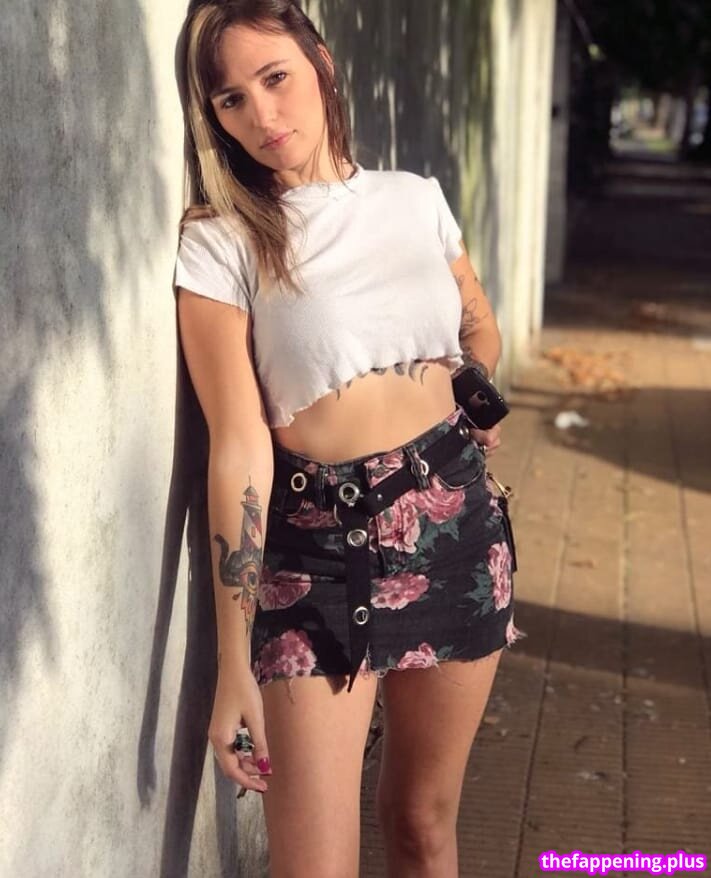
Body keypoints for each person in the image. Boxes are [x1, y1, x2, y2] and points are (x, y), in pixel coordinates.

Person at [173, 2, 524, 876]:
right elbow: (237, 446)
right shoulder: (221, 241)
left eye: (275, 78)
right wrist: (232, 662)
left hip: (455, 526)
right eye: (230, 100)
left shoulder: (414, 200)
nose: (262, 115)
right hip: (319, 554)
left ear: (321, 65)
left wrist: (472, 398)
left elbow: (477, 325)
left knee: (421, 824)